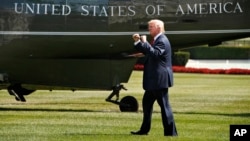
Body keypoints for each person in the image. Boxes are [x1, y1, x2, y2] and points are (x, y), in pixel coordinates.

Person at [131, 19, 178, 136]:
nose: (149, 29)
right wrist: (138, 42)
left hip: (159, 80)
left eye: (151, 26)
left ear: (158, 28)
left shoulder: (162, 40)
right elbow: (148, 51)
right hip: (154, 80)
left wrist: (145, 42)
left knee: (164, 107)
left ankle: (171, 133)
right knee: (147, 105)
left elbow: (155, 54)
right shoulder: (157, 40)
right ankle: (144, 130)